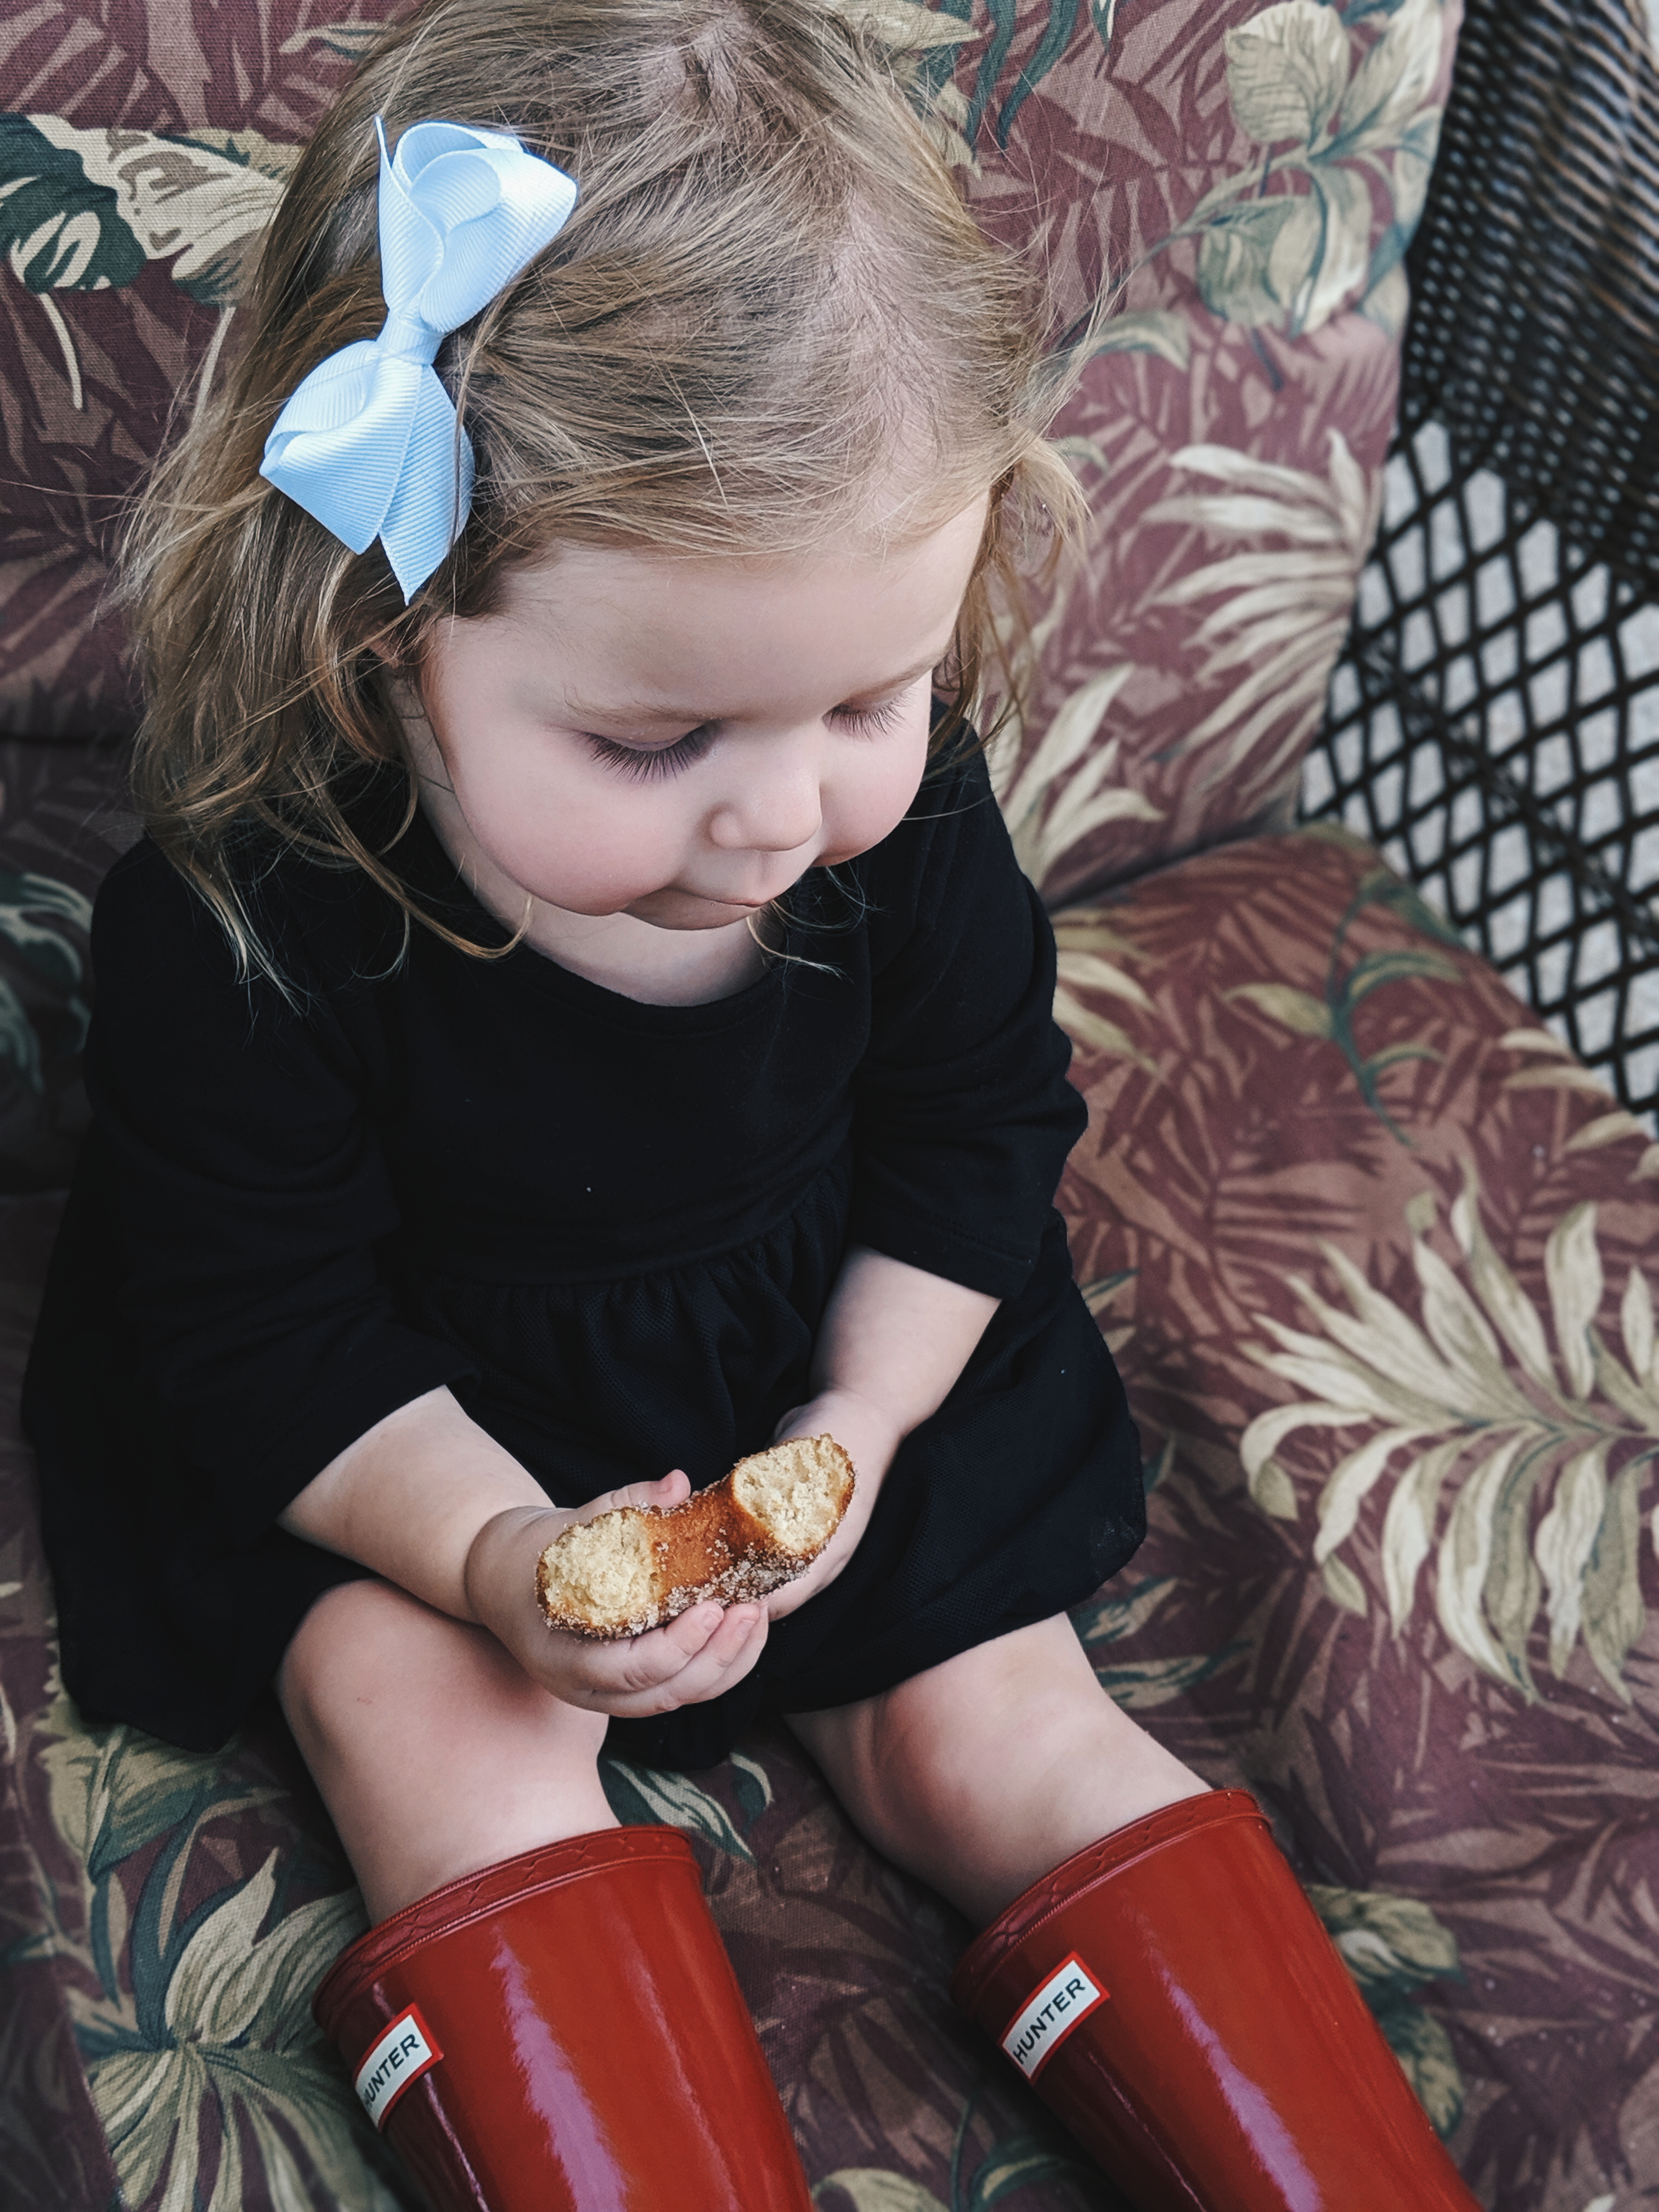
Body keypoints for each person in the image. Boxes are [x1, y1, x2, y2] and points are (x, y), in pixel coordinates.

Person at [22, 5, 1483, 2208]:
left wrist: (866, 1425)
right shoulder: (247, 924)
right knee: (433, 1726)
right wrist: (499, 1555)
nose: (776, 819)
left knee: (998, 1721)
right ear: (382, 625)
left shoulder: (900, 837)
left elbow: (978, 1135)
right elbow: (260, 1330)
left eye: (868, 700)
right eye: (652, 743)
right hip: (406, 1422)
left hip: (822, 1336)